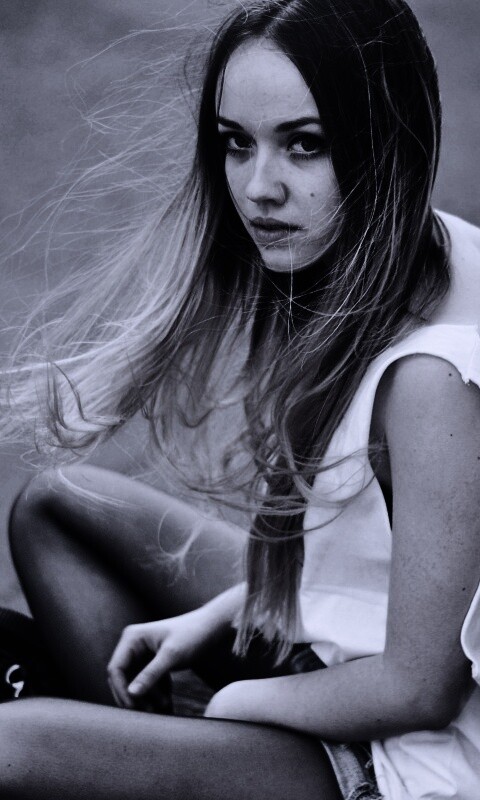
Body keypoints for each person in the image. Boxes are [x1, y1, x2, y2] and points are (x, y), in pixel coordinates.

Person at [1, 0, 480, 798]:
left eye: (305, 144)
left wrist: (236, 706)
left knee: (11, 746)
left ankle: (164, 757)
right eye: (236, 143)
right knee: (59, 507)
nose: (259, 188)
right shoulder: (391, 258)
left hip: (408, 764)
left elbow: (420, 687)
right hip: (346, 647)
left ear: (387, 141)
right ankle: (151, 758)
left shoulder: (434, 378)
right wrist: (224, 611)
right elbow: (385, 567)